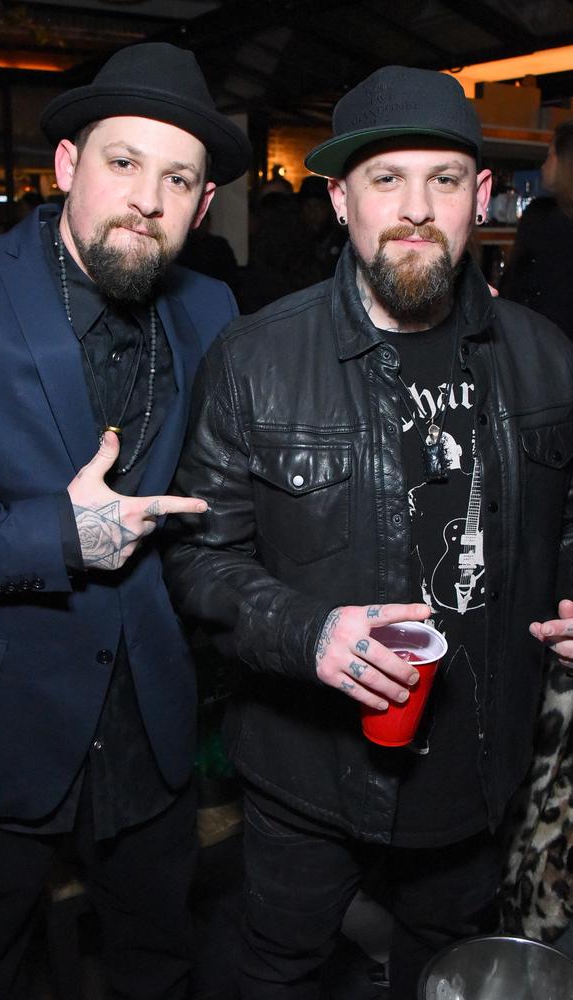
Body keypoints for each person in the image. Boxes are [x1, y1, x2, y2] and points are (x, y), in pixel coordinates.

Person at [164, 65, 573, 999]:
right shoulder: (255, 357)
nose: (415, 207)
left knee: (447, 963)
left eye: (441, 180)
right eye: (386, 179)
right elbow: (197, 557)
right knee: (282, 964)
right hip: (310, 776)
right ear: (341, 201)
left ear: (479, 197)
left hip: (480, 768)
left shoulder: (550, 360)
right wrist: (310, 634)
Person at [0, 41, 250, 1000]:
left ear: (199, 204)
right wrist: (57, 535)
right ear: (68, 167)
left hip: (152, 725)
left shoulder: (211, 309)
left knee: (159, 961)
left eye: (177, 177)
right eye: (123, 162)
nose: (148, 197)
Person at [500, 119, 573, 338]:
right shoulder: (542, 214)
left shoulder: (541, 218)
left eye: (549, 155)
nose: (543, 165)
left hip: (538, 341)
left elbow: (518, 287)